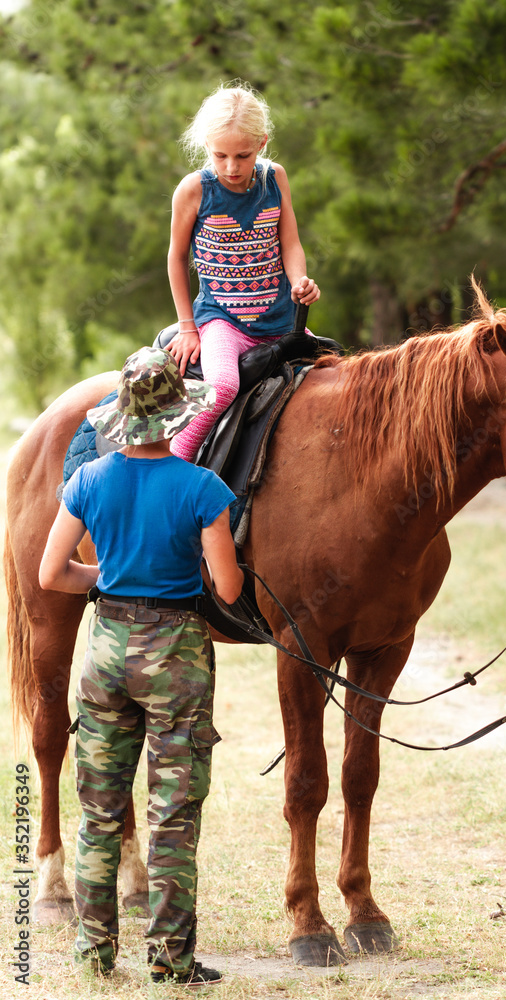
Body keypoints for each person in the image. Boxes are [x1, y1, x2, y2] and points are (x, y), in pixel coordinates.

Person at [39, 346, 244, 986]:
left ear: (122, 415)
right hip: (177, 656)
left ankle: (95, 956)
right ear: (176, 417)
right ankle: (170, 961)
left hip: (104, 653)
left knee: (100, 813)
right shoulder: (204, 489)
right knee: (173, 815)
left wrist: (112, 575)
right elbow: (230, 592)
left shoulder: (88, 480)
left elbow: (52, 574)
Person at [166, 79, 320, 463]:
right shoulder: (193, 190)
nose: (231, 167)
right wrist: (188, 327)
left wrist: (299, 280)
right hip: (224, 320)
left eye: (243, 155)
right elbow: (175, 258)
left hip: (280, 317)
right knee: (221, 387)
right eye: (220, 156)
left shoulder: (275, 178)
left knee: (334, 371)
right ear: (206, 148)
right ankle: (175, 465)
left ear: (262, 143)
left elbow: (290, 243)